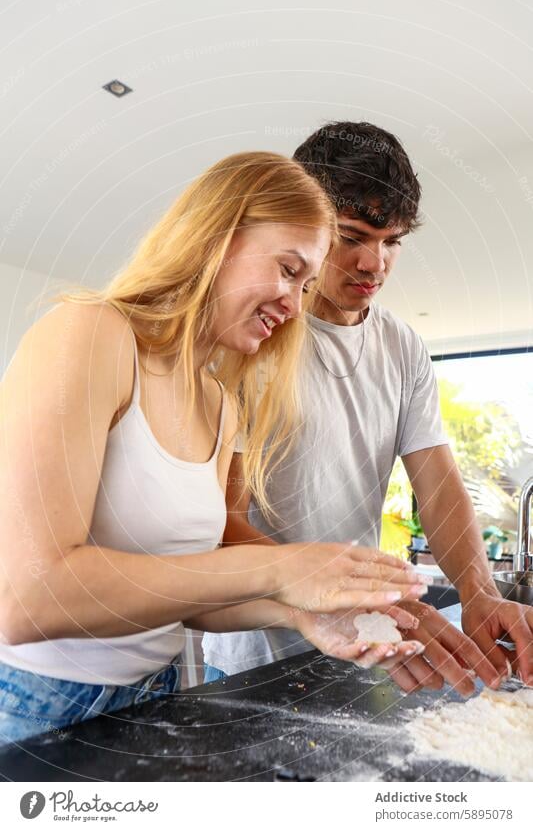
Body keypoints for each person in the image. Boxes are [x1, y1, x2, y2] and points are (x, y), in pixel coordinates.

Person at [0, 150, 429, 744]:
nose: (295, 305)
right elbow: (28, 598)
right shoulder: (90, 334)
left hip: (158, 693)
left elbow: (190, 596)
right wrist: (281, 565)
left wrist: (304, 611)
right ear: (218, 237)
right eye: (286, 269)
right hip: (38, 704)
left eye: (306, 285)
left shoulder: (220, 403)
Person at [203, 124, 533, 695]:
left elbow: (436, 482)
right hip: (253, 654)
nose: (373, 263)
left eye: (393, 241)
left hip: (363, 645)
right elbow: (220, 523)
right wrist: (344, 602)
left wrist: (480, 591)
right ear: (304, 222)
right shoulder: (253, 336)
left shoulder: (402, 347)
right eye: (352, 236)